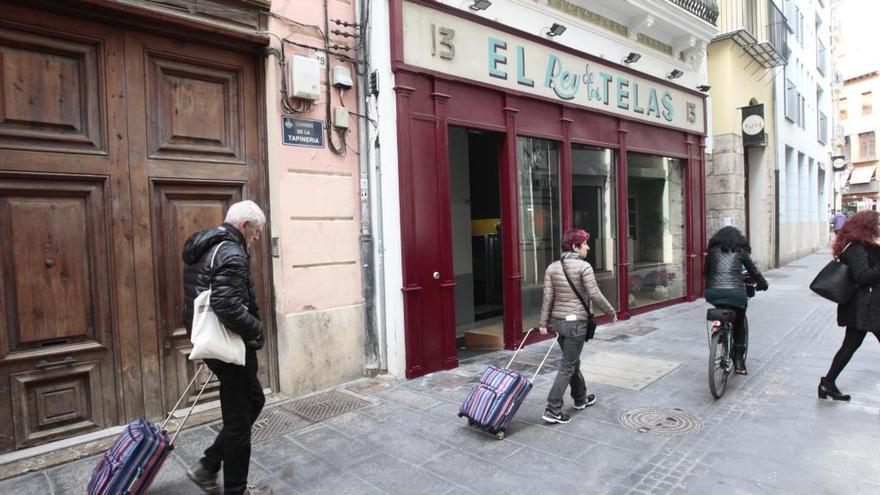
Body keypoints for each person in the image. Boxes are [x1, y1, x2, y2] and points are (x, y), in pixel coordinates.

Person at [182, 200, 271, 495]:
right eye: (256, 232)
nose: (256, 238)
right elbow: (226, 304)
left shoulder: (206, 246)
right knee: (238, 422)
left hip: (213, 341)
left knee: (253, 401)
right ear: (244, 226)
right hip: (232, 346)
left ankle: (207, 465)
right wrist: (256, 329)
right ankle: (235, 489)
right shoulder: (232, 252)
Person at [538, 228, 616, 424]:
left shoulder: (552, 267)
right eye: (585, 244)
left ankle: (580, 398)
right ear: (575, 247)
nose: (588, 248)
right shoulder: (584, 267)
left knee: (572, 362)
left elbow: (548, 297)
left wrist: (543, 323)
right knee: (567, 365)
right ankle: (553, 408)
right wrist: (611, 312)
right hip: (575, 325)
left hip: (558, 324)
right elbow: (595, 294)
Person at [820, 210, 880, 402]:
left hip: (870, 306)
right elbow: (861, 276)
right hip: (862, 307)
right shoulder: (856, 247)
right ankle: (827, 383)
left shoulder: (867, 246)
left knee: (850, 345)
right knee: (850, 345)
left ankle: (827, 383)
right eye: (878, 224)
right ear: (868, 226)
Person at [703, 226, 768, 376]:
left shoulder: (712, 253)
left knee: (722, 306)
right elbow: (754, 272)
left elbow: (706, 273)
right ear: (738, 240)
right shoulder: (741, 252)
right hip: (735, 294)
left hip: (713, 293)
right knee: (739, 321)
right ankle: (739, 362)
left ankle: (719, 332)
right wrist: (763, 284)